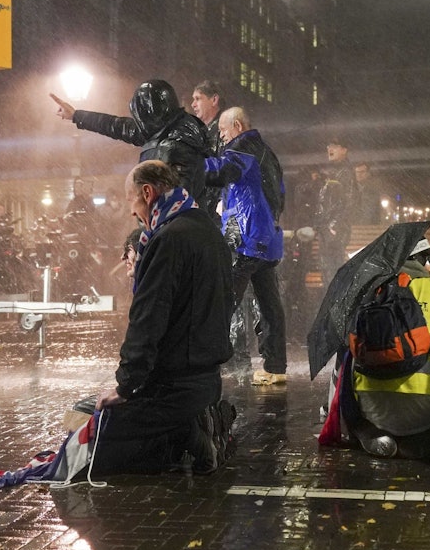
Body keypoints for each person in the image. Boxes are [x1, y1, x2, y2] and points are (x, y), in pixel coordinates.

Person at [89, 160, 236, 476]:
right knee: (139, 438)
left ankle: (194, 432)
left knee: (99, 438)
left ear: (147, 192)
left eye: (132, 201)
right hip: (208, 380)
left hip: (175, 384)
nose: (131, 212)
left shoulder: (168, 239)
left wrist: (126, 386)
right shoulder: (209, 231)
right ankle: (202, 424)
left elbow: (148, 318)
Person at [321, 237, 430, 467]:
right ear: (419, 259)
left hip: (371, 412)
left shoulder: (364, 293)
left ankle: (361, 429)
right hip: (427, 412)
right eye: (428, 259)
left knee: (348, 353)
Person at [205, 106, 288, 386]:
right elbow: (277, 194)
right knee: (269, 304)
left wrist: (190, 165)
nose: (222, 139)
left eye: (223, 132)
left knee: (223, 301)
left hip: (246, 239)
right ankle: (275, 366)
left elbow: (222, 171)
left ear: (237, 126)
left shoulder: (242, 148)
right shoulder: (267, 152)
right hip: (267, 239)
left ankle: (206, 363)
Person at [50, 79, 209, 200]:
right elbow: (117, 126)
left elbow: (175, 202)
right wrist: (76, 115)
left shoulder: (174, 143)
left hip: (174, 236)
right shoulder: (165, 130)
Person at [316, 136, 358, 286]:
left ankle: (334, 303)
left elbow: (349, 201)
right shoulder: (334, 172)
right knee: (328, 269)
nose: (329, 148)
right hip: (328, 229)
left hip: (334, 230)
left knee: (332, 268)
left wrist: (334, 225)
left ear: (344, 150)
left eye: (334, 145)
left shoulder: (345, 172)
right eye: (328, 145)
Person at [191, 80, 225, 222]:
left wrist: (223, 202)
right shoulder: (202, 132)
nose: (193, 105)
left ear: (214, 100)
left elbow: (228, 170)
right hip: (205, 210)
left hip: (216, 212)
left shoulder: (225, 129)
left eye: (198, 99)